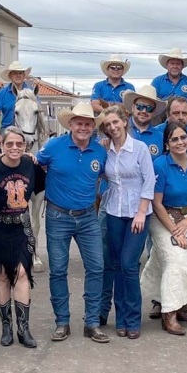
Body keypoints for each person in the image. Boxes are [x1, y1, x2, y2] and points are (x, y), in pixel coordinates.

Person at [37, 102, 109, 343]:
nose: (84, 127)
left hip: (88, 217)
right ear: (70, 124)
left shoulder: (100, 151)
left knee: (97, 268)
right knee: (58, 270)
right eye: (79, 122)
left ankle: (92, 322)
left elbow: (105, 177)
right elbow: (35, 165)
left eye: (88, 123)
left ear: (93, 127)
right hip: (58, 217)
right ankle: (62, 322)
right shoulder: (53, 147)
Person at [140, 122, 187, 335]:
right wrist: (175, 230)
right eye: (174, 139)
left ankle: (181, 304)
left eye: (183, 137)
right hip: (164, 217)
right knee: (173, 260)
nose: (180, 142)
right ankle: (168, 313)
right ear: (167, 143)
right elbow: (157, 202)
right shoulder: (160, 165)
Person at [0, 127, 45, 349]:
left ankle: (23, 329)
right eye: (10, 144)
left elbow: (45, 187)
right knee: (2, 275)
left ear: (25, 147)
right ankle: (6, 326)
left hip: (20, 228)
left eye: (19, 144)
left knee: (22, 273)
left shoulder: (31, 166)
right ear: (2, 146)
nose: (14, 148)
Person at [100, 106, 155, 339]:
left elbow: (149, 181)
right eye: (107, 125)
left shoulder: (140, 148)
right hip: (113, 212)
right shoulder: (106, 150)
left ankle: (133, 318)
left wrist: (141, 213)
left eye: (115, 122)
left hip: (137, 213)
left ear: (124, 121)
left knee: (129, 264)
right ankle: (120, 318)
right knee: (115, 265)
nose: (112, 127)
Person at [151, 49, 187, 131]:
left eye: (178, 63)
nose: (175, 66)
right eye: (172, 63)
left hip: (184, 119)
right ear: (167, 65)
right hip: (160, 119)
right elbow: (150, 99)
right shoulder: (157, 81)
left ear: (182, 66)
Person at [0, 61, 36, 147]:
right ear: (10, 76)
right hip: (7, 130)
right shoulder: (2, 93)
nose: (18, 75)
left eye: (20, 73)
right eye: (15, 73)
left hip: (28, 130)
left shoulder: (31, 92)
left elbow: (38, 112)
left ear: (24, 75)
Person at [123, 85, 166, 158]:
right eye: (140, 106)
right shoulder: (118, 130)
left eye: (149, 108)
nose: (144, 111)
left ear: (154, 112)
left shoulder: (161, 138)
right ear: (133, 107)